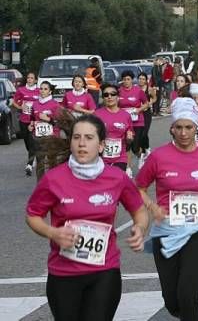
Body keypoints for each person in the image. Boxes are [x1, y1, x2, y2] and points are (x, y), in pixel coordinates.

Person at [25, 114, 147, 321]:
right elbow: (33, 215)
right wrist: (52, 232)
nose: (82, 143)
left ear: (101, 146)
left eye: (89, 138)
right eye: (77, 137)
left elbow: (139, 210)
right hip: (63, 273)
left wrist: (140, 228)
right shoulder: (53, 179)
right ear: (71, 141)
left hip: (105, 271)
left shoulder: (116, 178)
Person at [136, 97, 198, 321]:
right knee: (172, 299)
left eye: (189, 127)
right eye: (179, 127)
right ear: (172, 128)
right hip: (166, 232)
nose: (184, 132)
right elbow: (139, 187)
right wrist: (152, 206)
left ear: (197, 127)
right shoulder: (158, 157)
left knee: (188, 293)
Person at [29, 82, 65, 180]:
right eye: (41, 88)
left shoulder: (55, 104)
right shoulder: (35, 104)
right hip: (39, 137)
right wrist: (31, 125)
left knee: (52, 163)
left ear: (50, 91)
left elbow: (60, 122)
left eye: (45, 89)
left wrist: (49, 119)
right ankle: (40, 186)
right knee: (40, 163)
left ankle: (53, 185)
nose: (42, 91)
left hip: (52, 137)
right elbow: (32, 117)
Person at [95, 83, 134, 171]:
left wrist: (129, 138)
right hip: (100, 157)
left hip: (120, 158)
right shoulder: (97, 114)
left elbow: (129, 140)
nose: (109, 97)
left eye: (113, 94)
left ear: (117, 97)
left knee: (117, 182)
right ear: (103, 98)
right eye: (106, 95)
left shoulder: (126, 115)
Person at [117, 70, 149, 177]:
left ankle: (141, 155)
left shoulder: (138, 91)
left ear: (132, 80)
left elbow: (146, 104)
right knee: (127, 146)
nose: (126, 81)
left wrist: (139, 110)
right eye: (124, 79)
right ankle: (128, 168)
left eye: (128, 79)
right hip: (124, 123)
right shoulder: (119, 91)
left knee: (135, 148)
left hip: (137, 122)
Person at [12, 72, 39, 176]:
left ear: (35, 80)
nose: (29, 79)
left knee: (32, 141)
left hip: (35, 121)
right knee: (27, 142)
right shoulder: (21, 90)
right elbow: (14, 102)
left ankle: (29, 163)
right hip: (24, 120)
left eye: (32, 78)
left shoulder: (39, 91)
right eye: (28, 78)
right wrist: (20, 107)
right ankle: (32, 154)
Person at [138, 72, 157, 168]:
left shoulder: (149, 89)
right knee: (140, 133)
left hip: (146, 114)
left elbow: (154, 98)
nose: (141, 80)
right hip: (138, 114)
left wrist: (149, 103)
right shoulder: (136, 89)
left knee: (144, 133)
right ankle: (147, 148)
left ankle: (144, 152)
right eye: (140, 79)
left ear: (146, 81)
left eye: (143, 79)